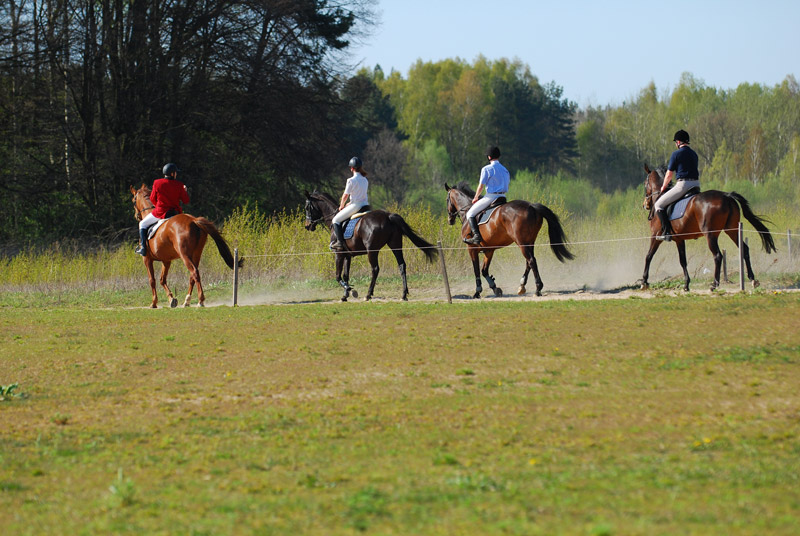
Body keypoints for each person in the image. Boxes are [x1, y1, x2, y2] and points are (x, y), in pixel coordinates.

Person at [654, 130, 700, 241]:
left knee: (658, 205)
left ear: (678, 142)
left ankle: (667, 232)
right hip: (696, 184)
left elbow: (669, 174)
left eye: (676, 142)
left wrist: (663, 187)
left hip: (683, 185)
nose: (675, 144)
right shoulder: (694, 154)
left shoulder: (676, 154)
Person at [135, 163, 190, 256]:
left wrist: (158, 206)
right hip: (175, 213)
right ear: (172, 174)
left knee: (142, 224)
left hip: (161, 212)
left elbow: (152, 198)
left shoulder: (157, 183)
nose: (176, 174)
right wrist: (184, 191)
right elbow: (186, 201)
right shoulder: (180, 185)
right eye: (176, 172)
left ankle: (143, 249)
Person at [464, 146, 510, 245]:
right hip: (503, 197)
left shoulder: (487, 169)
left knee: (470, 214)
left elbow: (481, 186)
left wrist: (476, 197)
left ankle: (476, 236)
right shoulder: (505, 170)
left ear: (489, 157)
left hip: (491, 197)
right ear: (498, 156)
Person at [330, 157, 370, 251]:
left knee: (335, 220)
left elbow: (345, 196)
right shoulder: (365, 180)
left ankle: (339, 242)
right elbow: (360, 195)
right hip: (365, 205)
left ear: (351, 168)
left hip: (356, 206)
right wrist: (350, 203)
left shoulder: (351, 180)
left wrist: (341, 206)